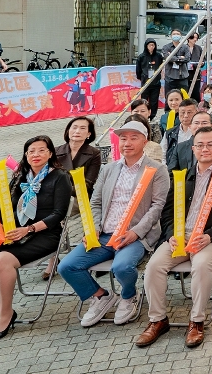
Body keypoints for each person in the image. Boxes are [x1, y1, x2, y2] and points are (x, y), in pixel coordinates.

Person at [134, 126, 212, 349]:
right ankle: (158, 320)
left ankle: (197, 321)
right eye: (200, 145)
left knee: (201, 266)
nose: (205, 149)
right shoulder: (181, 176)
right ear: (193, 149)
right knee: (154, 266)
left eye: (210, 144)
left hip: (210, 238)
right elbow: (167, 211)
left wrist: (210, 236)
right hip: (181, 237)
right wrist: (171, 235)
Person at [58, 120, 170, 328]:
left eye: (134, 138)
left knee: (122, 267)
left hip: (134, 236)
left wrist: (136, 232)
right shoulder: (109, 169)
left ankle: (129, 296)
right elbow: (95, 202)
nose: (127, 143)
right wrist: (93, 229)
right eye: (123, 138)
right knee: (67, 266)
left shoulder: (157, 169)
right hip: (104, 234)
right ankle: (101, 296)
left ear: (145, 141)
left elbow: (157, 206)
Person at [0, 135, 75, 342]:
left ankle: (6, 313)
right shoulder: (20, 177)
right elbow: (6, 208)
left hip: (45, 233)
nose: (36, 155)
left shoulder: (60, 177)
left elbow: (58, 214)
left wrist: (28, 229)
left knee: (1, 261)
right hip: (15, 233)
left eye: (41, 150)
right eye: (31, 151)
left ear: (50, 153)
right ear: (26, 155)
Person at [134, 40, 165, 109]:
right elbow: (138, 70)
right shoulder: (141, 57)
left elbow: (160, 67)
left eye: (153, 45)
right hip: (145, 82)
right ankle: (144, 113)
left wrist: (157, 76)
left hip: (156, 82)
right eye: (150, 45)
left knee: (154, 101)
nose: (151, 47)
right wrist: (142, 77)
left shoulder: (158, 56)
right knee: (144, 100)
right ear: (146, 46)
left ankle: (153, 114)